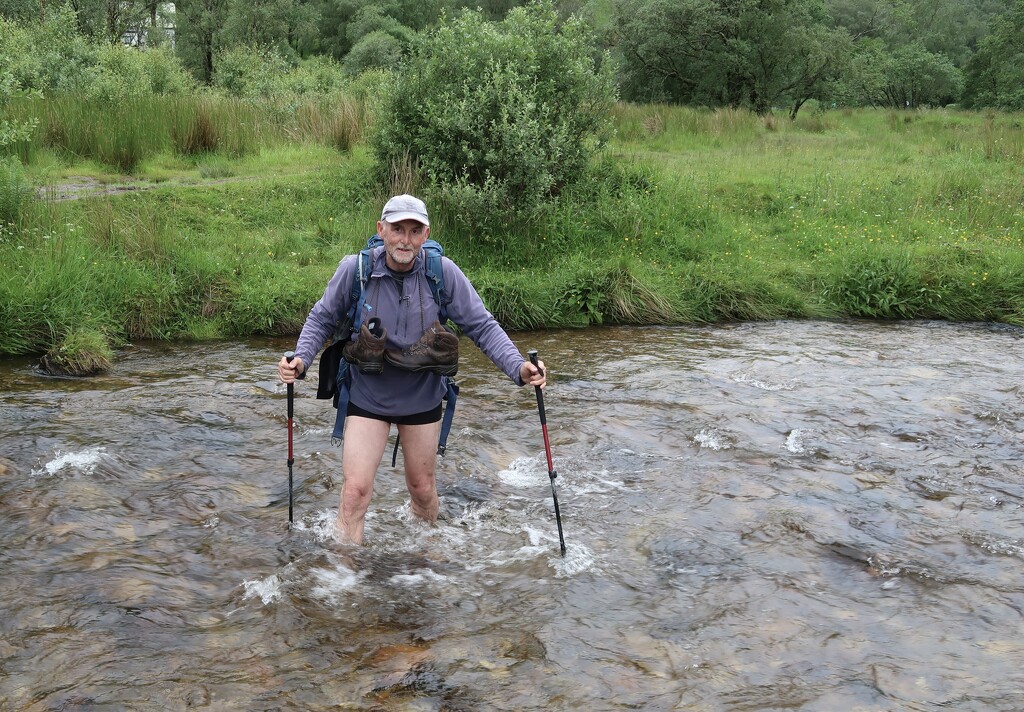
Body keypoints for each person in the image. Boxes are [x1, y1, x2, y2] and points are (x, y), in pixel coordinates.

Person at [278, 194, 546, 544]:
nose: (405, 239)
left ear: (425, 233)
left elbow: (482, 325)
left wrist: (519, 368)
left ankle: (423, 559)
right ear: (381, 229)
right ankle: (344, 579)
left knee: (422, 490)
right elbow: (322, 317)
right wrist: (300, 359)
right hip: (367, 394)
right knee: (355, 492)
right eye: (397, 229)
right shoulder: (356, 270)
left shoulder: (442, 274)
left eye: (414, 230)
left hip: (422, 396)